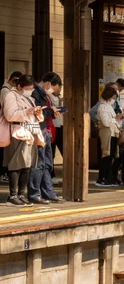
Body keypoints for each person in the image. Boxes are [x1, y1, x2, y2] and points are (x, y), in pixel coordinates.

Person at [3, 75, 44, 205]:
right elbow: (10, 115)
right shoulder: (11, 95)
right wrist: (28, 111)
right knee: (16, 164)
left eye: (31, 89)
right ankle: (13, 195)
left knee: (27, 164)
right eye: (27, 88)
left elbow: (35, 116)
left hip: (30, 132)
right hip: (18, 131)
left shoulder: (29, 98)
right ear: (19, 86)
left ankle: (22, 194)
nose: (29, 91)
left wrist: (37, 113)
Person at [28, 73, 63, 203]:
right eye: (53, 88)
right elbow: (38, 112)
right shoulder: (36, 93)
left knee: (47, 163)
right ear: (48, 83)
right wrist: (51, 112)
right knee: (39, 163)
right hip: (39, 130)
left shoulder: (44, 95)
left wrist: (53, 113)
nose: (52, 91)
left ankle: (48, 192)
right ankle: (34, 193)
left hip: (46, 130)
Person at [95, 85, 122, 187]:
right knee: (106, 156)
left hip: (113, 133)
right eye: (113, 98)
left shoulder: (109, 107)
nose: (113, 100)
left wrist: (117, 121)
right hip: (107, 133)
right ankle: (102, 178)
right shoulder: (102, 107)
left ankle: (109, 177)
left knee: (112, 156)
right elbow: (106, 122)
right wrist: (115, 119)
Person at [0, 71, 22, 184]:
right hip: (7, 122)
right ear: (13, 80)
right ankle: (4, 172)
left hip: (10, 123)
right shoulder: (6, 90)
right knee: (5, 148)